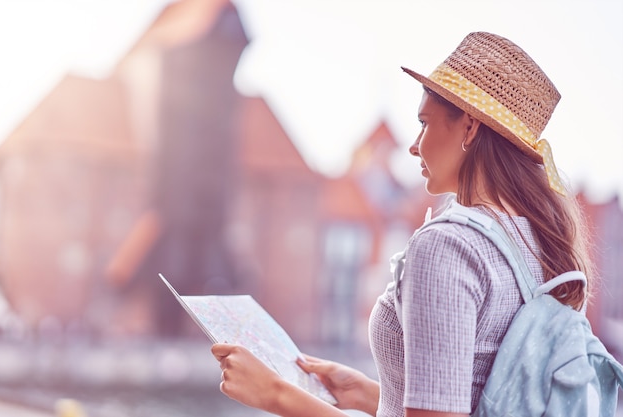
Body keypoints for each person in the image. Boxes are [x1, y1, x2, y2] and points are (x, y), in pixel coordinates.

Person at [211, 31, 593, 417]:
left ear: (470, 128)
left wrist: (278, 396)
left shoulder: (448, 245)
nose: (414, 144)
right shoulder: (538, 245)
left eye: (424, 122)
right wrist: (369, 394)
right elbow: (480, 397)